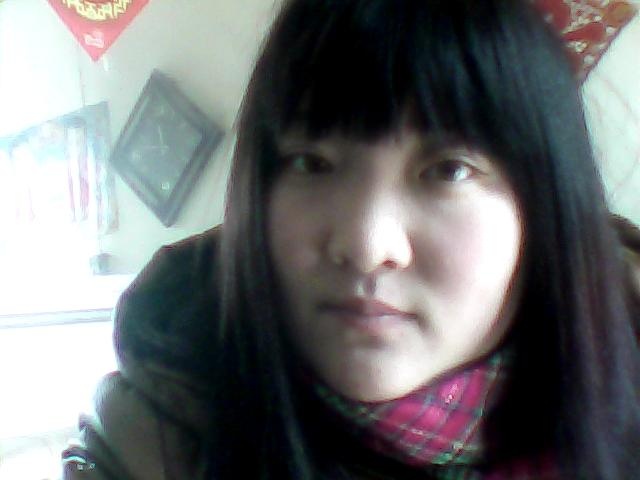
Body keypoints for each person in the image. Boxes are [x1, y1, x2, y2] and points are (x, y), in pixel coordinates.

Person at [63, 0, 640, 478]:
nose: (366, 246)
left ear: (543, 211)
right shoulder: (152, 439)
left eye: (448, 170)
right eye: (312, 163)